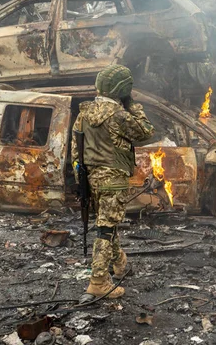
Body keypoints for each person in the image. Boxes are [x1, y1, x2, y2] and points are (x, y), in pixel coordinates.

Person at [72, 65, 155, 302]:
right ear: (123, 89)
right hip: (113, 180)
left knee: (106, 223)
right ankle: (98, 281)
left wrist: (81, 182)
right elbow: (146, 131)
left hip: (91, 180)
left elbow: (75, 151)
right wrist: (134, 106)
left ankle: (120, 264)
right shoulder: (119, 115)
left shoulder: (84, 113)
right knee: (106, 229)